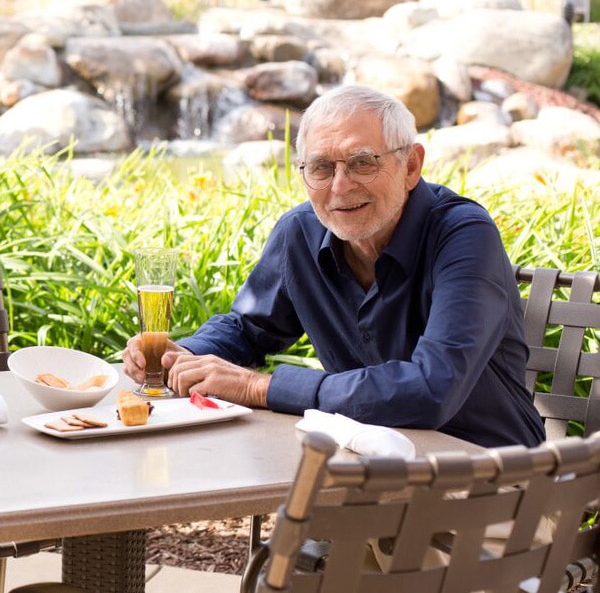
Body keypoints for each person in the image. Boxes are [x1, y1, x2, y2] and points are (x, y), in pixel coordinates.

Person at [123, 84, 545, 448]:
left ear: (411, 165)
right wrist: (187, 354)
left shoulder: (463, 234)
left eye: (363, 163)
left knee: (307, 526)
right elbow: (248, 328)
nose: (340, 187)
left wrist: (258, 387)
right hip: (368, 464)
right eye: (321, 168)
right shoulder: (300, 233)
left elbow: (432, 389)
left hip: (495, 480)